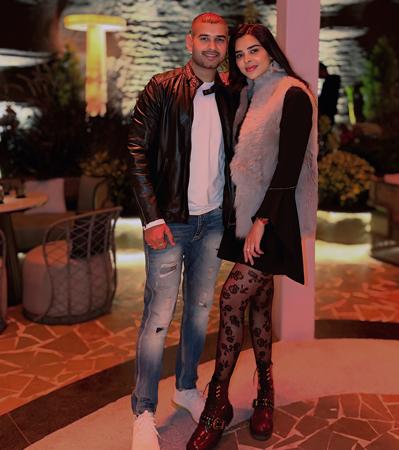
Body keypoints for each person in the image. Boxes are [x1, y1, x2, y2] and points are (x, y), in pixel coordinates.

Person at [187, 23, 317, 450]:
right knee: (258, 302)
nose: (246, 60)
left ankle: (217, 403)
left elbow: (289, 167)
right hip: (248, 216)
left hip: (274, 220)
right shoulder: (249, 94)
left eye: (253, 51)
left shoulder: (293, 94)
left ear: (270, 51)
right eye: (240, 54)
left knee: (232, 298)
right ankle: (265, 391)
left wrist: (261, 221)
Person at [127, 12, 235, 450]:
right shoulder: (161, 87)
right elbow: (136, 151)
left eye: (220, 40)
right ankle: (143, 410)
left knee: (199, 310)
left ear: (226, 46)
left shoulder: (230, 92)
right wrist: (151, 218)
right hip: (170, 222)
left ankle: (186, 387)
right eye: (204, 38)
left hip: (213, 221)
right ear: (189, 42)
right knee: (157, 317)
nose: (212, 46)